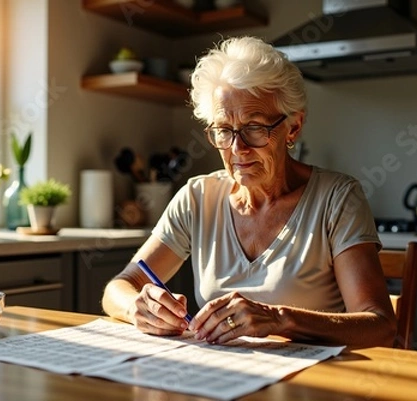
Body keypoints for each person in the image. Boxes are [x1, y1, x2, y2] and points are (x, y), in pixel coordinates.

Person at [102, 36, 397, 348]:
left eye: (254, 128)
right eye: (223, 131)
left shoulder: (337, 198)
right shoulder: (197, 198)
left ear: (293, 127)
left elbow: (379, 325)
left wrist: (279, 319)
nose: (237, 148)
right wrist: (137, 307)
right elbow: (120, 287)